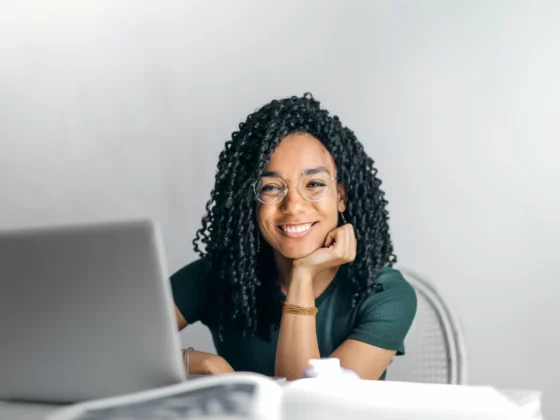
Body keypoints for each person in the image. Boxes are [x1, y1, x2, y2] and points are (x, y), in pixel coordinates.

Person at [171, 93, 417, 381]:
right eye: (271, 188)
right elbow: (113, 345)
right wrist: (207, 364)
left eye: (314, 183)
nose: (294, 206)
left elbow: (311, 409)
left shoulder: (384, 295)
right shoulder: (219, 275)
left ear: (341, 196)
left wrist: (303, 273)